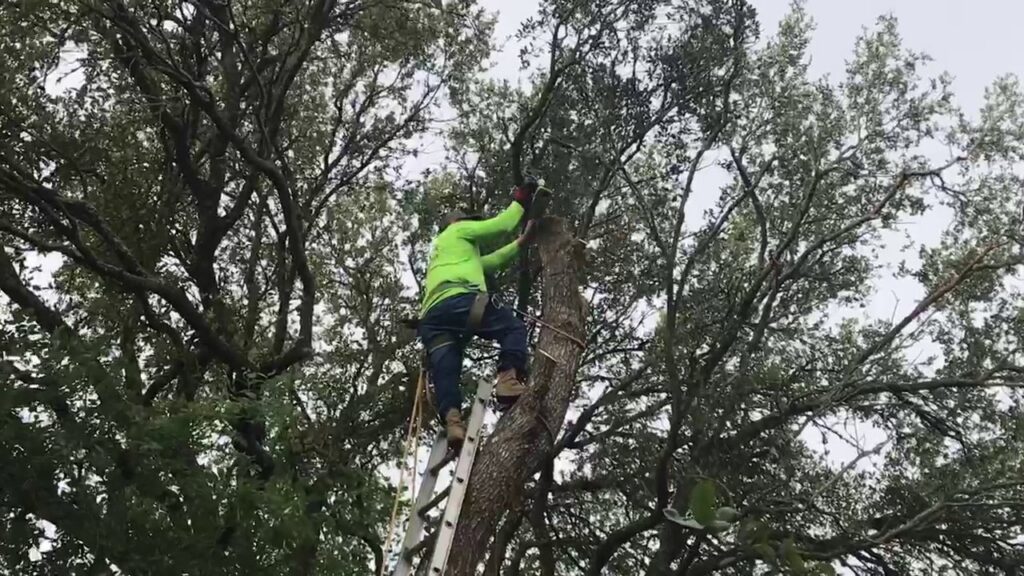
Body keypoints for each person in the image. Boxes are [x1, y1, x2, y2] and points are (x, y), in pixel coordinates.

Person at [416, 179, 539, 445]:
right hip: (460, 301)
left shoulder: (446, 253)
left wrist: (522, 242)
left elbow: (490, 262)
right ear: (458, 222)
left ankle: (452, 422)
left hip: (433, 318)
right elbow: (502, 225)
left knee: (446, 369)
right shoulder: (458, 231)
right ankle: (508, 379)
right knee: (513, 327)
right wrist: (520, 200)